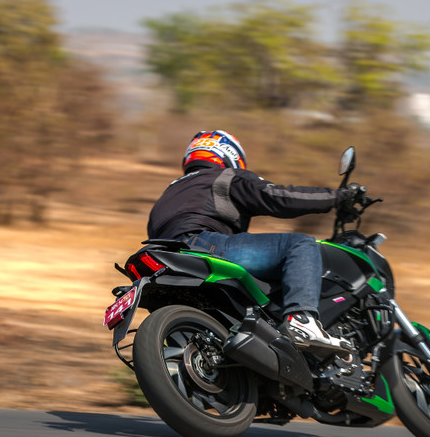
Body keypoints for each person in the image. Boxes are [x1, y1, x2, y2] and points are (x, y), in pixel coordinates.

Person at [147, 130, 354, 354]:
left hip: (164, 255)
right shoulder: (225, 176)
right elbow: (278, 197)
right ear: (230, 154)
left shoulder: (169, 193)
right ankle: (302, 321)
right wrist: (338, 197)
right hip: (204, 245)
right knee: (300, 245)